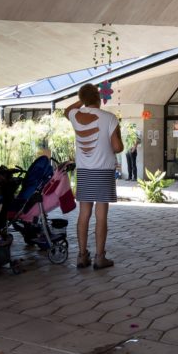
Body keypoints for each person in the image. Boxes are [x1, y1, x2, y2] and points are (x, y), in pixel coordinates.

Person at [64, 84, 123, 269]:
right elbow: (118, 147)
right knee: (101, 215)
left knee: (84, 214)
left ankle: (82, 255)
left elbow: (67, 110)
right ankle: (99, 257)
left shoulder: (75, 116)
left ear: (82, 99)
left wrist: (84, 99)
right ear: (98, 97)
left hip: (84, 171)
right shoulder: (110, 118)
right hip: (103, 171)